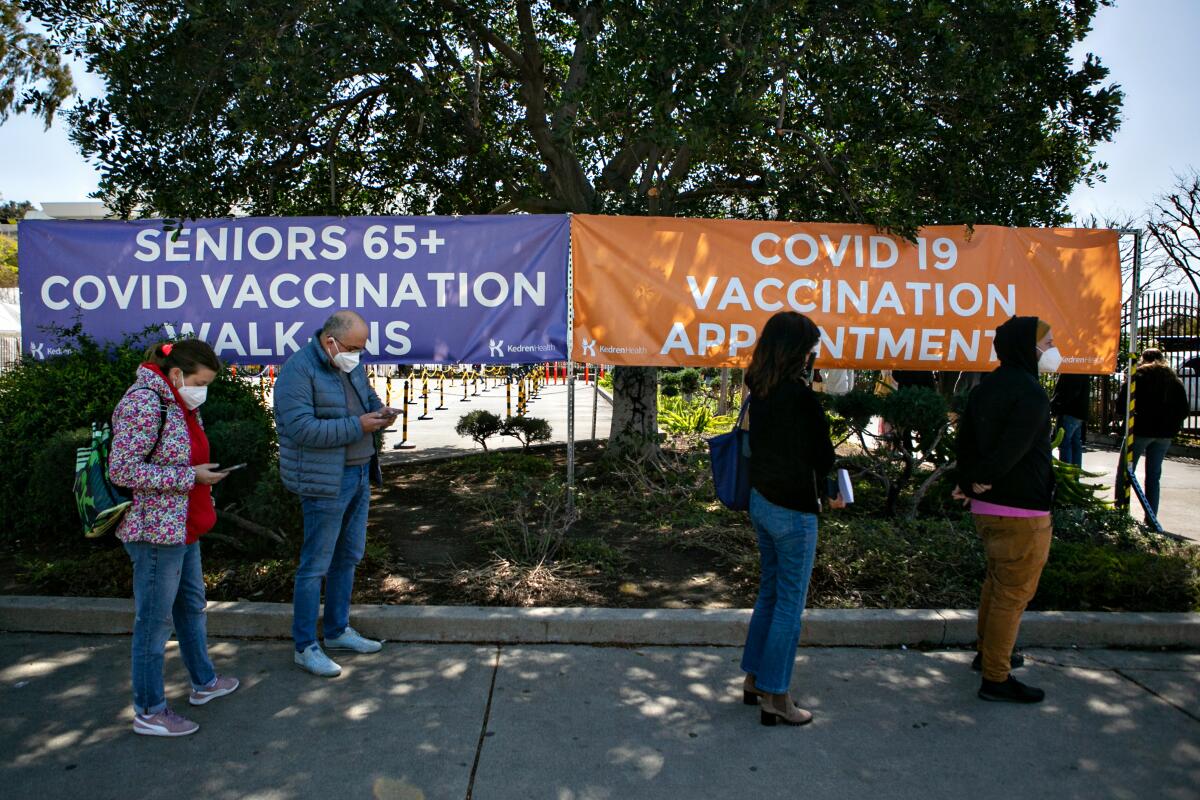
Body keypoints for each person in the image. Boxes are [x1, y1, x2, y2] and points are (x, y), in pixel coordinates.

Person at [109, 340, 239, 737]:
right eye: (201, 381)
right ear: (177, 374)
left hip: (181, 526)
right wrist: (190, 477)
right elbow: (123, 470)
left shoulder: (177, 402)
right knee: (154, 623)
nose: (204, 390)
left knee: (190, 607)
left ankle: (204, 682)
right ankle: (149, 710)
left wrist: (198, 474)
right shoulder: (144, 402)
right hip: (154, 532)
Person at [274, 310, 397, 677]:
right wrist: (358, 425)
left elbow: (368, 398)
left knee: (348, 557)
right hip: (325, 481)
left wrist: (380, 412)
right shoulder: (298, 371)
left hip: (359, 472)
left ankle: (338, 630)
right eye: (354, 348)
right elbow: (302, 430)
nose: (358, 356)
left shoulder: (347, 362)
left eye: (361, 349)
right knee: (315, 565)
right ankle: (305, 646)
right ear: (331, 342)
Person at [740, 311, 841, 727]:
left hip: (762, 502)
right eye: (809, 348)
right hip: (794, 512)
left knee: (769, 594)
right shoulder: (799, 396)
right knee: (788, 605)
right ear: (797, 351)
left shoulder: (759, 388)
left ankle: (753, 679)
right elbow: (824, 455)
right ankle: (776, 697)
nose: (811, 356)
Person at [954, 316, 1059, 704]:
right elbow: (1014, 448)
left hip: (986, 506)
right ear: (1025, 347)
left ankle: (989, 654)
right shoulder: (1030, 393)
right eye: (1046, 341)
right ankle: (996, 676)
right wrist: (980, 476)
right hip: (1022, 511)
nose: (1050, 349)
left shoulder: (987, 386)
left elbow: (966, 439)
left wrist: (969, 481)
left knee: (997, 585)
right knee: (1012, 594)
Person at [1126, 349, 1190, 520]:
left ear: (1143, 359)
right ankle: (1151, 517)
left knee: (1126, 470)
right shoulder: (1174, 381)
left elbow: (1121, 405)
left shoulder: (1138, 377)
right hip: (1164, 434)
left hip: (1140, 431)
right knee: (1153, 476)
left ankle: (1121, 511)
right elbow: (1184, 409)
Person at [1051, 373, 1090, 468]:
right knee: (1075, 445)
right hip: (1079, 413)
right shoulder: (1083, 369)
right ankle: (1075, 475)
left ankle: (1067, 475)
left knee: (1065, 445)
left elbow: (1068, 393)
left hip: (1068, 412)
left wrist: (1055, 404)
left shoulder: (1071, 370)